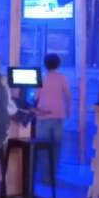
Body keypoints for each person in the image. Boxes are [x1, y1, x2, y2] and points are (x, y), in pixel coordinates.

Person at [35, 53, 71, 187]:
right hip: (59, 117)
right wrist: (68, 110)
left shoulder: (42, 78)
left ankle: (44, 178)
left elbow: (35, 97)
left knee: (43, 149)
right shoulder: (62, 78)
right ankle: (53, 177)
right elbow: (68, 96)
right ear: (58, 64)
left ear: (45, 64)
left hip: (43, 117)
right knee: (56, 148)